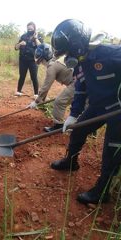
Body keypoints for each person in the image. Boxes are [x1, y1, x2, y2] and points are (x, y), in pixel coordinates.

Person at [50, 19, 121, 204]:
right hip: (98, 107)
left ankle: (102, 191)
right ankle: (71, 162)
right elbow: (80, 89)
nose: (66, 57)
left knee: (111, 152)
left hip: (118, 110)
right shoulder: (81, 63)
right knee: (78, 130)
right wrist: (74, 114)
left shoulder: (110, 55)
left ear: (77, 44)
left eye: (67, 51)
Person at [27, 43, 74, 132]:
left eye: (41, 61)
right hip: (81, 82)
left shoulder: (52, 67)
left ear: (44, 58)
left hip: (76, 84)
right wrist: (41, 100)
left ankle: (58, 125)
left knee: (59, 102)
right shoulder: (55, 61)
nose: (42, 63)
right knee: (82, 104)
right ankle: (86, 127)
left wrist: (36, 101)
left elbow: (46, 86)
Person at [14, 22, 43, 98]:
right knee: (22, 76)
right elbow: (16, 48)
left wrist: (36, 38)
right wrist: (20, 44)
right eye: (28, 28)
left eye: (31, 28)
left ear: (34, 28)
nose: (29, 30)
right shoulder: (23, 36)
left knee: (34, 77)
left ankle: (36, 94)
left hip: (33, 61)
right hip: (23, 60)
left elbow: (41, 46)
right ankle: (18, 92)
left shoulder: (38, 36)